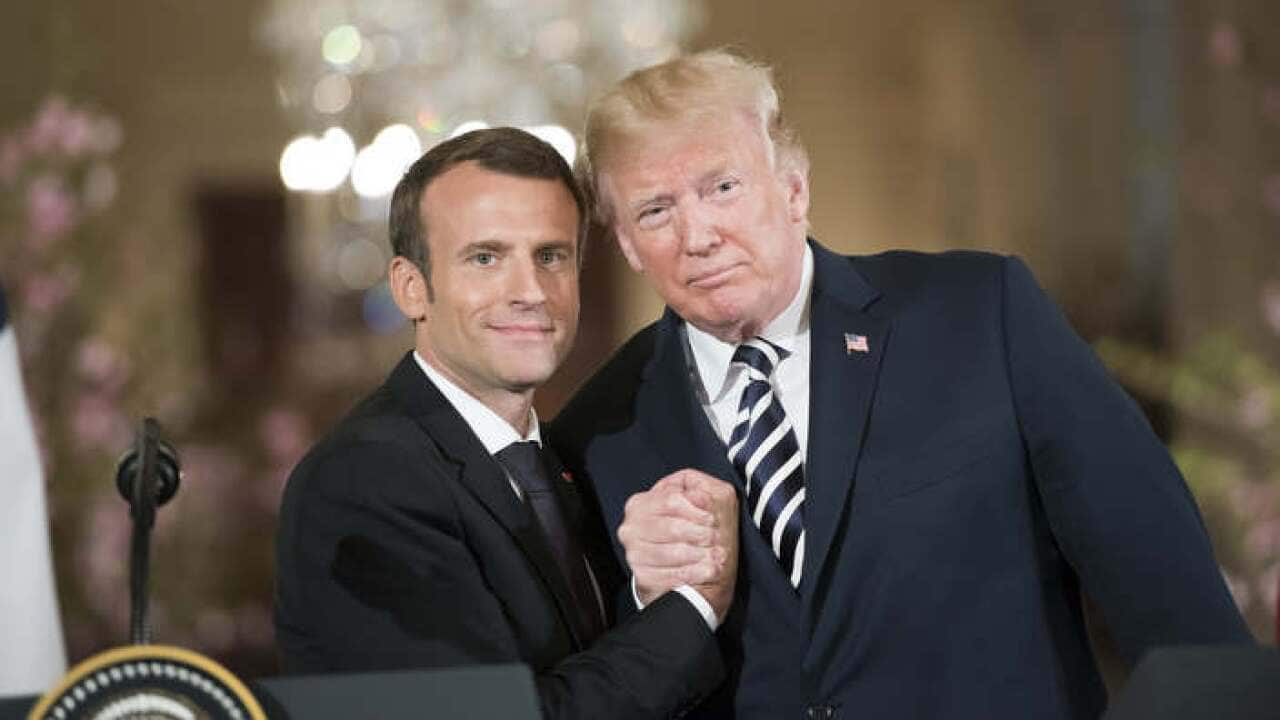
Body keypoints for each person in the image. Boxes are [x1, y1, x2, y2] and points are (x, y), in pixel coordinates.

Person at [549, 51, 1253, 719]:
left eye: (722, 187)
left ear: (794, 189)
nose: (696, 235)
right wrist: (651, 600)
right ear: (628, 245)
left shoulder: (980, 314)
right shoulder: (597, 431)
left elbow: (1166, 590)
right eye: (655, 211)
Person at [274, 127, 739, 720]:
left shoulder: (564, 464)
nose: (531, 292)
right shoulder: (365, 481)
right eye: (486, 258)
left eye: (550, 256)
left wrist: (651, 589)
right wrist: (691, 608)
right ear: (412, 288)